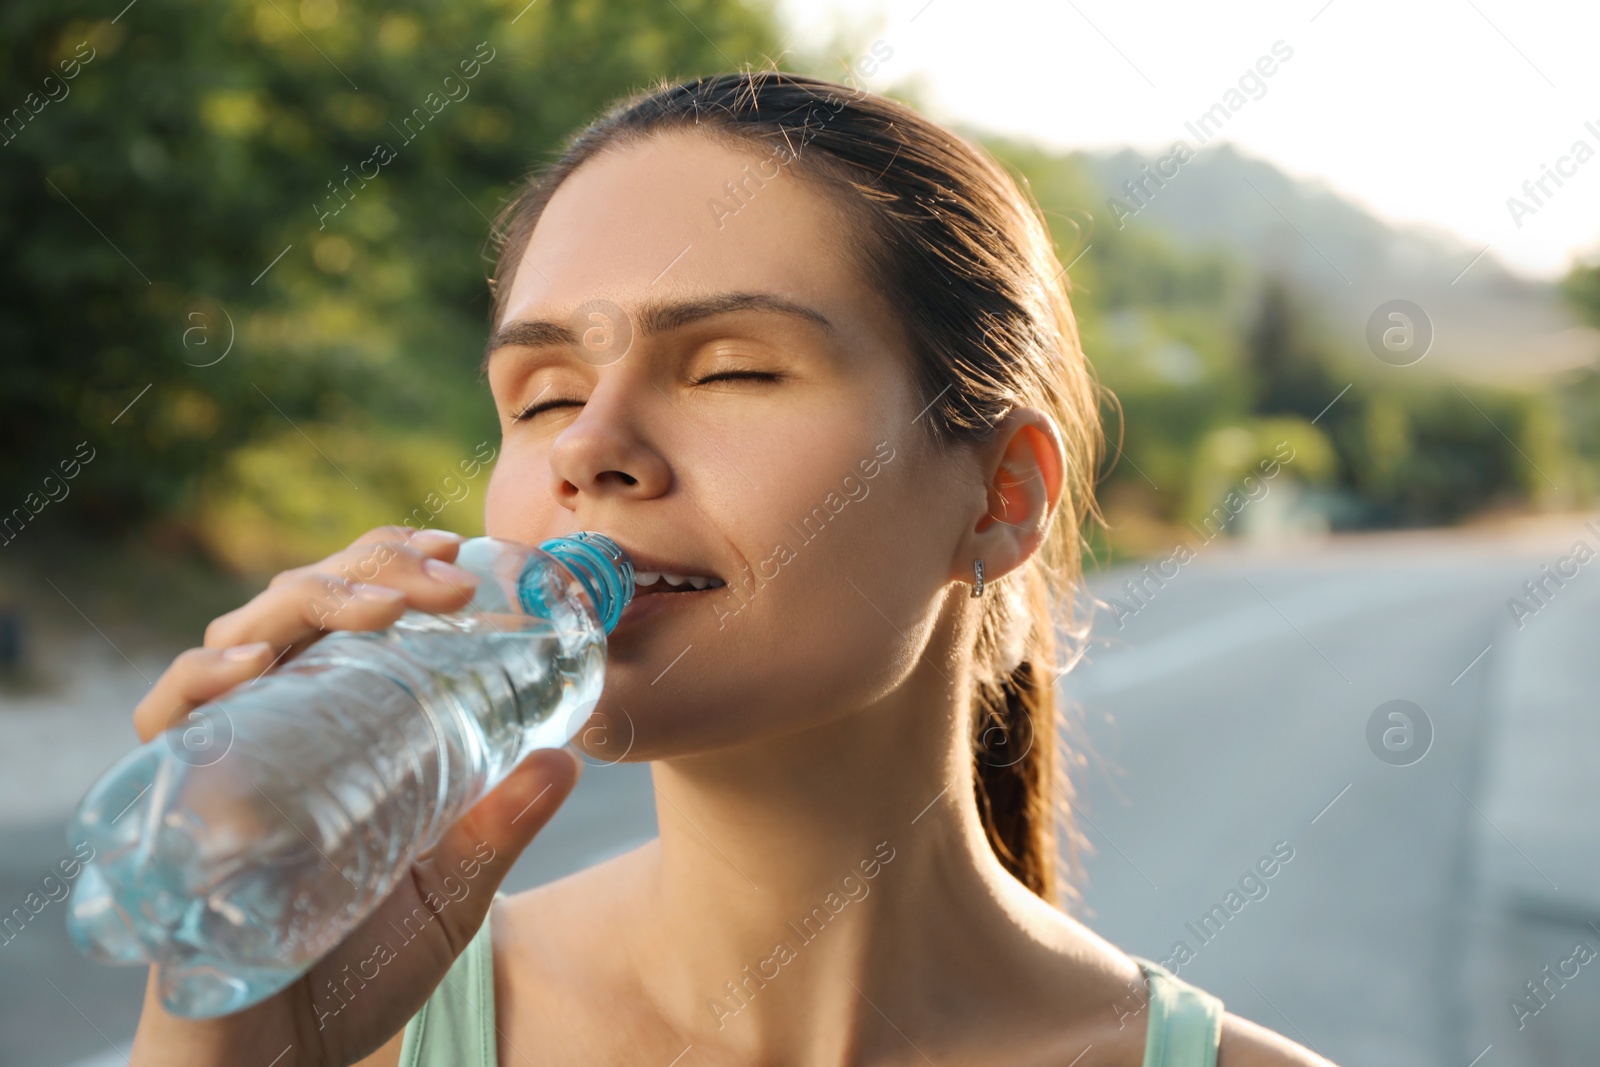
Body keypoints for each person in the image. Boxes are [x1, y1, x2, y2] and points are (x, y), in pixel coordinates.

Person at [124, 69, 1334, 1067]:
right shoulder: (360, 1031)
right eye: (541, 395)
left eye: (729, 370)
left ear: (1001, 494)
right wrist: (231, 1036)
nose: (591, 447)